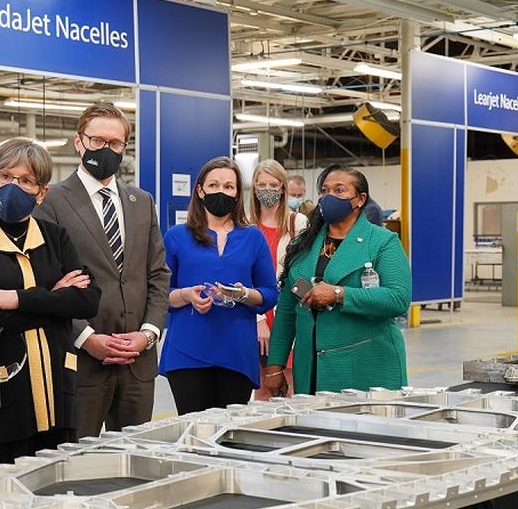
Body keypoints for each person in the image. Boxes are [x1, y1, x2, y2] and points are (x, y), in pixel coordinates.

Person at [34, 104, 169, 439]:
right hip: (83, 362)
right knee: (78, 464)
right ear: (79, 142)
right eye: (97, 141)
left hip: (137, 362)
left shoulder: (142, 202)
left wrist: (148, 334)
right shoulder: (52, 203)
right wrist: (87, 338)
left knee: (137, 460)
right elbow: (46, 282)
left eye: (116, 144)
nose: (106, 150)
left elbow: (157, 275)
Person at [0, 138, 100, 468]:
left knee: (56, 491)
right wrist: (56, 297)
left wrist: (17, 299)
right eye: (5, 176)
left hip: (58, 395)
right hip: (3, 398)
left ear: (41, 193)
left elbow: (88, 300)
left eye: (26, 181)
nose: (13, 186)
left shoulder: (55, 237)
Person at [262, 165, 411, 396]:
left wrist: (340, 294)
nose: (329, 197)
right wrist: (274, 366)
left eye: (339, 191)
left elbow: (398, 298)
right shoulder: (304, 246)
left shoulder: (382, 242)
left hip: (366, 367)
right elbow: (287, 309)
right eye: (324, 190)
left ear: (359, 199)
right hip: (311, 368)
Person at [161, 157, 278, 413]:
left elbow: (270, 293)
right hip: (188, 350)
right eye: (213, 185)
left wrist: (244, 294)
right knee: (192, 431)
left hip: (236, 350)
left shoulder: (253, 238)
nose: (221, 192)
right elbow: (159, 294)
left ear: (237, 194)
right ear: (200, 190)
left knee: (230, 435)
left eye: (229, 186)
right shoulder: (176, 236)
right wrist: (186, 295)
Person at [247, 160, 307, 400]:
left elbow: (305, 271)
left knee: (291, 387)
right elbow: (242, 274)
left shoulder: (297, 223)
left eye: (273, 184)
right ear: (253, 187)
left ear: (283, 188)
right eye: (262, 184)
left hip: (288, 310)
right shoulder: (244, 223)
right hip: (256, 310)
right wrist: (258, 318)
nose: (267, 190)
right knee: (262, 389)